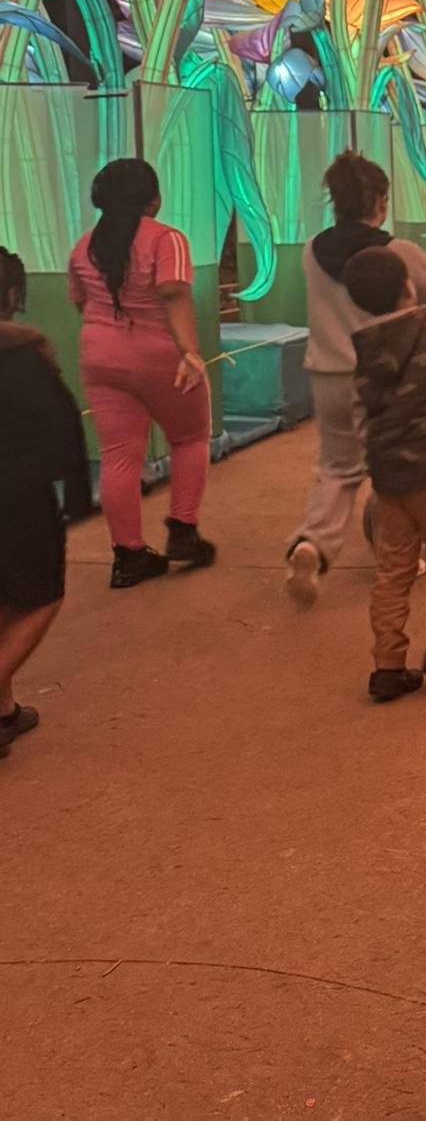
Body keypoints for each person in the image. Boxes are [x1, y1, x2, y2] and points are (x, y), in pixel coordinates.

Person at [285, 152, 426, 607]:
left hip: (327, 373)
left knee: (336, 468)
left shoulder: (312, 251)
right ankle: (401, 550)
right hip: (387, 375)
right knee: (400, 468)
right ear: (381, 200)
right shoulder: (399, 253)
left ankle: (312, 544)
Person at [68, 160, 215, 589]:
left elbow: (79, 301)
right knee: (190, 437)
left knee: (119, 454)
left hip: (99, 356)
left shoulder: (83, 245)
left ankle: (129, 557)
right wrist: (190, 352)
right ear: (153, 200)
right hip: (159, 355)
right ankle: (183, 530)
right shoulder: (168, 239)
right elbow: (173, 293)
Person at [342, 246, 426, 702]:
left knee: (393, 569)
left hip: (389, 478)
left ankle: (388, 666)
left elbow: (359, 414)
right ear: (408, 286)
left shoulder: (362, 344)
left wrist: (376, 459)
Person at [0, 248, 90, 758]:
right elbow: (62, 431)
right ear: (13, 294)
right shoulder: (23, 357)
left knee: (5, 595)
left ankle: (4, 710)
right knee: (42, 596)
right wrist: (76, 497)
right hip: (17, 499)